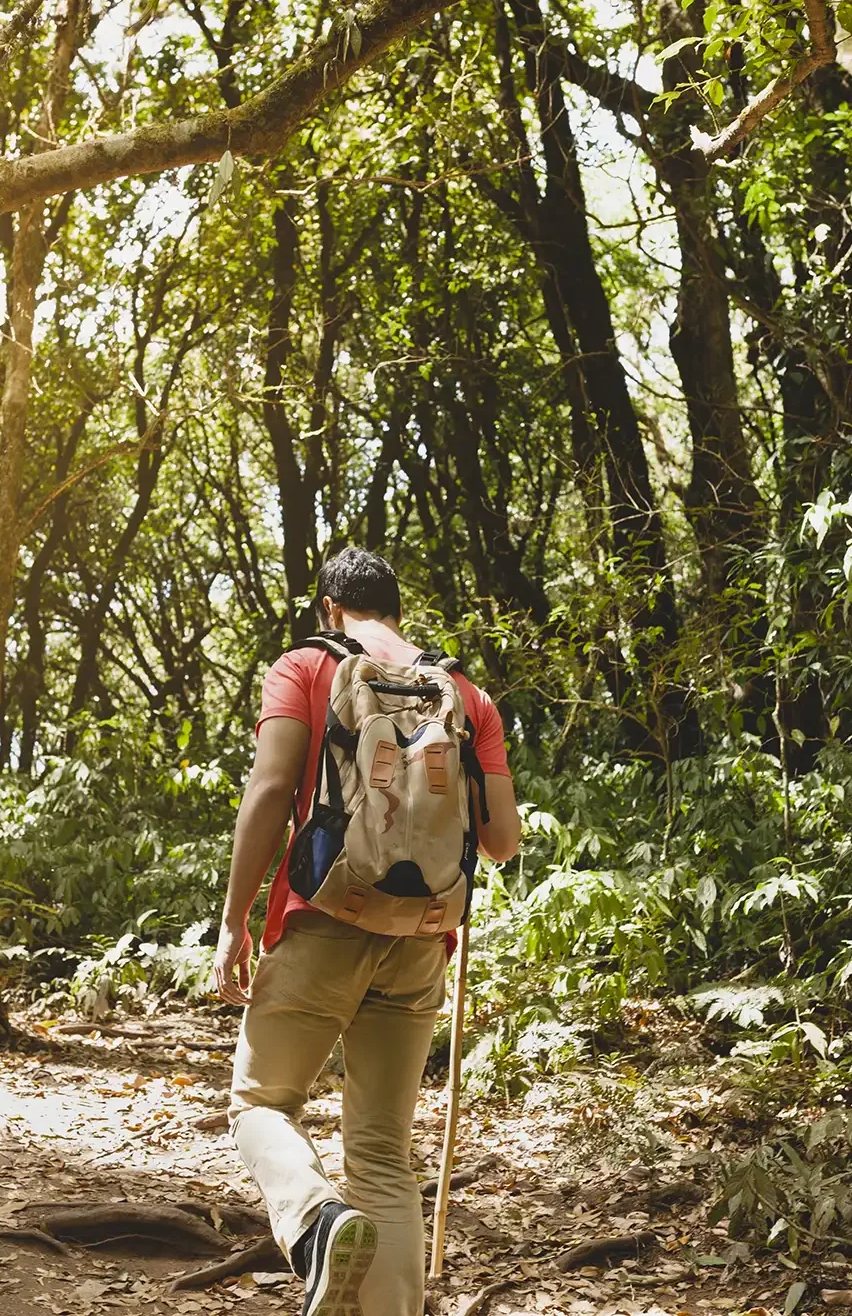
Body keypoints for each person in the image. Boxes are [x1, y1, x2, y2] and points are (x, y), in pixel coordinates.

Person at [212, 547, 520, 1316]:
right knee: (384, 1152)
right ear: (398, 611)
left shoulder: (306, 668)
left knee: (260, 1102)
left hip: (322, 920)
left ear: (329, 608)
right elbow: (502, 840)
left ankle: (315, 1223)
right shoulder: (465, 694)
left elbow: (272, 787)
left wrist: (233, 922)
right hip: (421, 938)